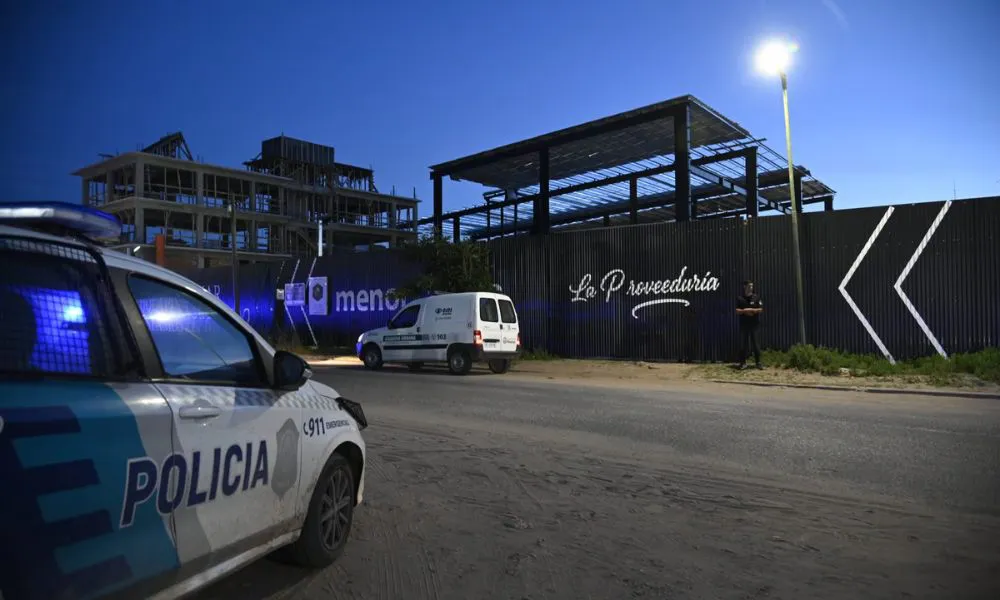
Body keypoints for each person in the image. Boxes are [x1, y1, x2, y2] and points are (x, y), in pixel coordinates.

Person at [735, 280, 764, 370]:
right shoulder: (740, 298)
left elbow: (760, 309)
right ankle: (743, 363)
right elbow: (737, 311)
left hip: (754, 325)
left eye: (751, 286)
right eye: (749, 286)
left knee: (755, 344)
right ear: (744, 287)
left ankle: (758, 363)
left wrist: (751, 310)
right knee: (743, 344)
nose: (751, 288)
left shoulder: (756, 297)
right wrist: (745, 311)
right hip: (744, 325)